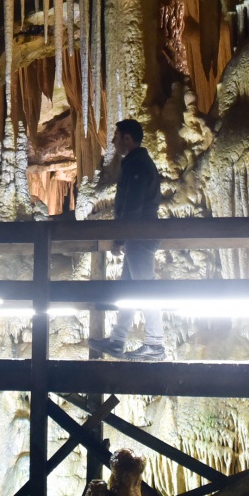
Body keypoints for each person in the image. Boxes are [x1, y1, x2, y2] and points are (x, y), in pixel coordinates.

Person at [88, 118, 167, 362]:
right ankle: (117, 340)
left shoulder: (137, 165)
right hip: (139, 236)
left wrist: (121, 238)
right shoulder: (136, 163)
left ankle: (155, 344)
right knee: (130, 289)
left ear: (127, 139)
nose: (113, 141)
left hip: (141, 235)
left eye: (116, 137)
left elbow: (132, 206)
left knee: (145, 289)